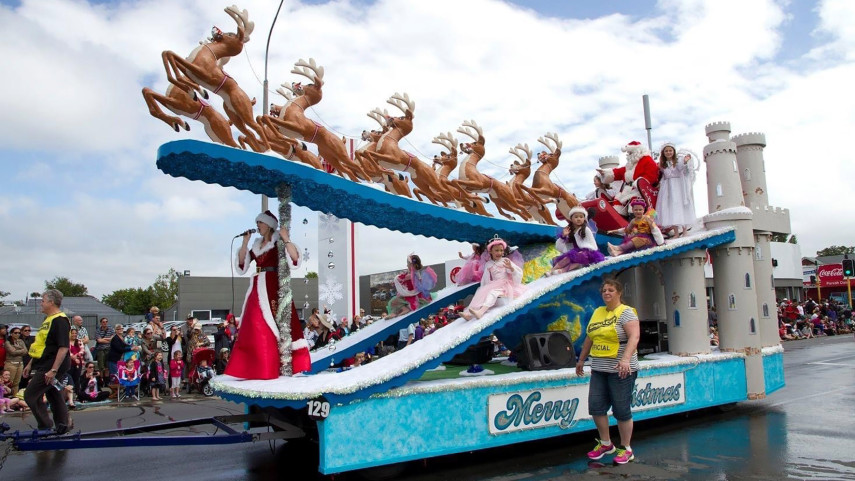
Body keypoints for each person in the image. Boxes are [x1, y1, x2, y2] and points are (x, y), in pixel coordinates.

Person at [225, 210, 312, 380]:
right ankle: (254, 366)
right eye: (257, 223)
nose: (257, 225)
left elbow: (295, 259)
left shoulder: (278, 243)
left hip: (273, 286)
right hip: (257, 286)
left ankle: (274, 365)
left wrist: (286, 238)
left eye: (260, 223)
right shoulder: (256, 245)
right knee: (252, 322)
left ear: (269, 225)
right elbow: (242, 266)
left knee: (275, 323)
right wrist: (245, 243)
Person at [575, 279, 641, 464]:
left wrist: (626, 359)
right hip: (599, 367)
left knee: (621, 410)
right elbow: (590, 337)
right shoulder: (598, 312)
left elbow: (634, 336)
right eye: (604, 290)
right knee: (596, 407)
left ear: (619, 293)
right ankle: (606, 443)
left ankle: (626, 448)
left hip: (620, 369)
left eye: (611, 290)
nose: (606, 293)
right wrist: (581, 359)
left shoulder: (626, 312)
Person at [23, 289, 72, 434]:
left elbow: (63, 348)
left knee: (30, 395)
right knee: (53, 393)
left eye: (43, 301)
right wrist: (30, 363)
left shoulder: (60, 321)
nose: (41, 304)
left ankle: (45, 425)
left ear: (51, 302)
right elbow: (42, 345)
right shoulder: (49, 320)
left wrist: (54, 370)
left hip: (52, 365)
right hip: (44, 363)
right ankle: (63, 424)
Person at [461, 236, 525, 320]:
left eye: (501, 250)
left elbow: (517, 272)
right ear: (490, 251)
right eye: (497, 250)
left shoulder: (505, 261)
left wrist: (510, 268)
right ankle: (469, 314)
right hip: (494, 284)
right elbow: (485, 279)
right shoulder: (488, 264)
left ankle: (480, 312)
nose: (499, 252)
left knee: (492, 293)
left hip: (505, 285)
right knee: (480, 294)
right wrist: (483, 289)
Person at [598, 140, 660, 216]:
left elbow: (651, 176)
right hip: (629, 189)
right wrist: (606, 173)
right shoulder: (630, 165)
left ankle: (635, 220)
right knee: (618, 200)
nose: (628, 155)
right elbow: (619, 172)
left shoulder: (647, 160)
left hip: (641, 191)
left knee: (634, 202)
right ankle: (620, 220)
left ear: (637, 151)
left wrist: (637, 184)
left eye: (630, 153)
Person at [548, 206, 605, 276]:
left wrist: (583, 251)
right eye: (576, 217)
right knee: (569, 257)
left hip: (587, 254)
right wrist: (563, 236)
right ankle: (553, 270)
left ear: (584, 219)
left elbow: (591, 245)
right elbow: (562, 247)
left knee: (580, 256)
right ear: (571, 219)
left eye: (581, 217)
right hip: (575, 254)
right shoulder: (569, 230)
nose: (579, 219)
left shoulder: (586, 230)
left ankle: (562, 270)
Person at [656, 143, 698, 237]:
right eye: (666, 151)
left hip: (678, 186)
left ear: (673, 151)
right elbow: (668, 174)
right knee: (671, 207)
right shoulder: (663, 164)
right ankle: (676, 233)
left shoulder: (679, 161)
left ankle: (685, 231)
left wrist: (685, 162)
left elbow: (682, 170)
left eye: (670, 150)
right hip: (668, 187)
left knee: (681, 205)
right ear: (663, 153)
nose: (668, 152)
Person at [5, 326, 27, 395]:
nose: (17, 334)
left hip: (20, 364)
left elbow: (26, 351)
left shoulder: (20, 341)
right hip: (11, 364)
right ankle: (7, 396)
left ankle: (15, 396)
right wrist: (21, 350)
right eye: (15, 333)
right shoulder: (7, 342)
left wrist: (16, 349)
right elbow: (12, 352)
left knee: (16, 383)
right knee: (9, 382)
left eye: (19, 333)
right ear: (11, 333)